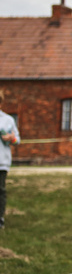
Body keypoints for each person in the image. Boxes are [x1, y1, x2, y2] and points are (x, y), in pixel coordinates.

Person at [0, 90, 20, 230]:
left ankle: (0, 217)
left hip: (2, 161)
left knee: (0, 190)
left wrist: (11, 138)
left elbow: (17, 140)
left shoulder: (8, 120)